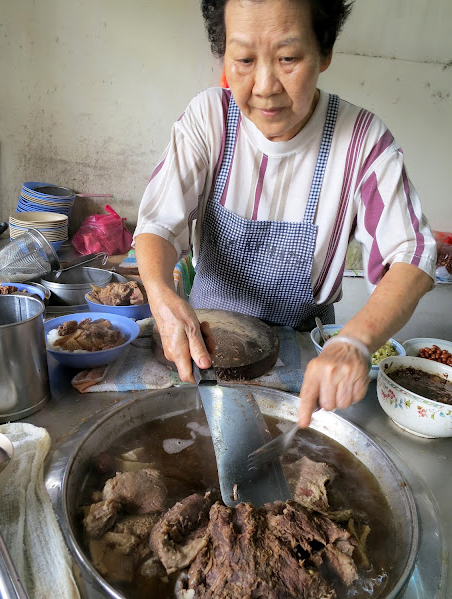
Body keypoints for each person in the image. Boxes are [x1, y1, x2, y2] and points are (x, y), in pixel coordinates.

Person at [134, 0, 436, 428]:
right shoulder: (209, 118)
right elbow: (158, 224)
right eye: (243, 59)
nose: (264, 85)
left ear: (325, 52)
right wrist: (161, 294)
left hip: (305, 361)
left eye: (288, 58)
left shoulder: (362, 141)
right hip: (205, 346)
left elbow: (413, 252)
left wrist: (356, 341)